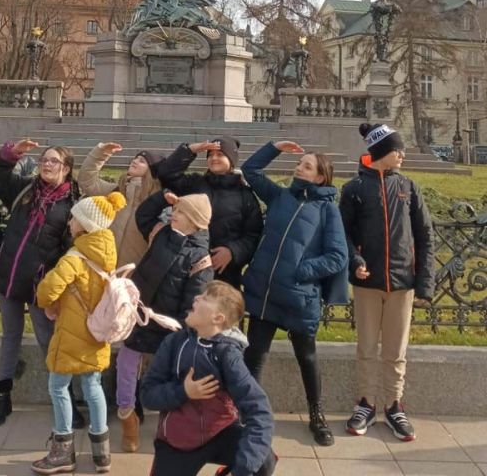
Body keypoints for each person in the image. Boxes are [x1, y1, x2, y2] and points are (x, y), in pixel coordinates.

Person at [241, 141, 349, 446]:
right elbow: (250, 170)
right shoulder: (280, 196)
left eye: (306, 166)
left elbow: (338, 256)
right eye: (299, 163)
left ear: (320, 177)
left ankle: (317, 414)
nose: (299, 168)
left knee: (307, 357)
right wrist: (274, 147)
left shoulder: (327, 210)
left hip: (299, 297)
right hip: (265, 293)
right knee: (255, 355)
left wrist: (300, 271)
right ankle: (249, 414)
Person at [340, 123, 435, 442]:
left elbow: (425, 237)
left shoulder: (409, 187)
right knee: (366, 347)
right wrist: (356, 261)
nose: (402, 155)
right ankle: (365, 404)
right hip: (367, 284)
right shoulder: (354, 189)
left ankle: (394, 406)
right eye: (398, 150)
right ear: (382, 152)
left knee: (396, 350)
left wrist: (425, 284)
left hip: (402, 284)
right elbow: (343, 235)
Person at [0, 138, 83, 428]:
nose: (47, 164)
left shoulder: (72, 205)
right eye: (44, 159)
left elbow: (69, 251)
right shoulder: (25, 190)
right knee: (10, 336)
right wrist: (11, 153)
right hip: (9, 276)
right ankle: (2, 396)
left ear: (67, 168)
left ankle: (64, 399)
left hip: (41, 284)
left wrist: (58, 290)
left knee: (48, 340)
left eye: (54, 161)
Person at [31, 192, 127, 475]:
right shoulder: (107, 253)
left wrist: (49, 303)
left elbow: (47, 291)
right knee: (93, 385)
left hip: (72, 333)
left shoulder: (74, 257)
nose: (70, 222)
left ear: (85, 225)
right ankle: (101, 453)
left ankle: (62, 450)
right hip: (96, 332)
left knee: (58, 386)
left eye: (74, 219)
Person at [141, 280, 277, 476]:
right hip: (178, 440)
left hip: (220, 431)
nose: (196, 297)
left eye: (205, 298)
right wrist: (184, 392)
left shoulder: (227, 354)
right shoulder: (173, 342)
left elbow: (260, 411)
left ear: (217, 318)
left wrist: (242, 471)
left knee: (263, 460)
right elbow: (147, 394)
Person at [115, 193, 214, 453]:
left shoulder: (200, 258)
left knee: (169, 380)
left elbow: (193, 303)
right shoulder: (162, 234)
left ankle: (171, 425)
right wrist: (162, 198)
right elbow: (144, 215)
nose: (173, 214)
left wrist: (178, 332)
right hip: (139, 317)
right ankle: (128, 420)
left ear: (194, 221)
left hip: (168, 328)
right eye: (174, 210)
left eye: (180, 212)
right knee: (125, 367)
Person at [155, 138, 263, 289]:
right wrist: (190, 150)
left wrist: (233, 252)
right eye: (210, 154)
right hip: (186, 266)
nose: (214, 158)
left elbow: (253, 234)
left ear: (231, 160)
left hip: (224, 274)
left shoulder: (245, 196)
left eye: (220, 154)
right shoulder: (195, 183)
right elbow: (166, 174)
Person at [77, 142, 163, 268]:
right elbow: (87, 181)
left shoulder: (158, 202)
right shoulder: (116, 191)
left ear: (152, 170)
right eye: (135, 158)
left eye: (142, 161)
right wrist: (101, 153)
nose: (135, 161)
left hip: (133, 273)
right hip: (102, 269)